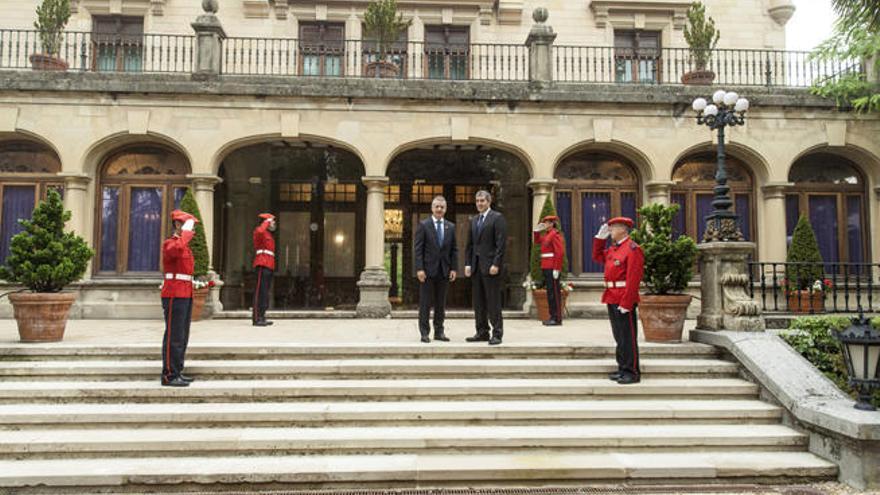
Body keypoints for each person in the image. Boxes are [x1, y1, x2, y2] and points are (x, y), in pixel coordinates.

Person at [593, 217, 645, 385]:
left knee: (628, 337)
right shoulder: (614, 249)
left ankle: (632, 371)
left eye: (613, 228)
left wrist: (627, 302)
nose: (610, 231)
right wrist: (598, 240)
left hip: (624, 297)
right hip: (611, 295)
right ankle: (622, 367)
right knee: (619, 336)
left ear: (623, 229)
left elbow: (633, 278)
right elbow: (597, 257)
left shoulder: (632, 249)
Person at [464, 190, 507, 345]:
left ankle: (497, 333)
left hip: (490, 268)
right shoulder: (474, 220)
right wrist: (468, 263)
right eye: (477, 201)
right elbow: (469, 245)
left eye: (482, 200)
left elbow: (501, 245)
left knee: (493, 301)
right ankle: (482, 332)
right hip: (476, 268)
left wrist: (496, 263)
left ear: (489, 202)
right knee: (478, 302)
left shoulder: (497, 218)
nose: (479, 203)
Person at [161, 209, 198, 387]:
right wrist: (185, 235)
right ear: (178, 225)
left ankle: (178, 370)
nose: (193, 231)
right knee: (173, 336)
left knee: (182, 335)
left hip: (185, 293)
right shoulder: (171, 243)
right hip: (174, 293)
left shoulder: (184, 246)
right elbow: (174, 251)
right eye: (189, 226)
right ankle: (169, 374)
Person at [414, 196, 458, 343]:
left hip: (444, 271)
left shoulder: (450, 227)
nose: (439, 209)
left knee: (441, 304)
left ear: (445, 209)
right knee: (425, 303)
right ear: (432, 208)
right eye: (437, 206)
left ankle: (439, 332)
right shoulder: (423, 225)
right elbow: (418, 249)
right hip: (427, 272)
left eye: (442, 207)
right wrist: (419, 268)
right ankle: (424, 333)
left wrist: (453, 268)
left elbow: (454, 249)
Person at [534, 215, 565, 326]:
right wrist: (536, 231)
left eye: (547, 223)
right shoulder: (547, 235)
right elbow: (537, 241)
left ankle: (557, 318)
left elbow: (559, 252)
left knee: (554, 294)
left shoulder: (554, 234)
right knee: (550, 293)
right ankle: (552, 316)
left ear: (552, 223)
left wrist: (557, 268)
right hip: (546, 266)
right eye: (545, 223)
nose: (545, 225)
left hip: (552, 266)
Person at [252, 213, 276, 327]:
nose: (274, 223)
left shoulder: (269, 234)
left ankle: (262, 315)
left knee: (265, 293)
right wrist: (267, 221)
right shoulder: (259, 231)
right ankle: (257, 318)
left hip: (268, 264)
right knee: (259, 292)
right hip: (262, 263)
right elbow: (261, 231)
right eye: (272, 221)